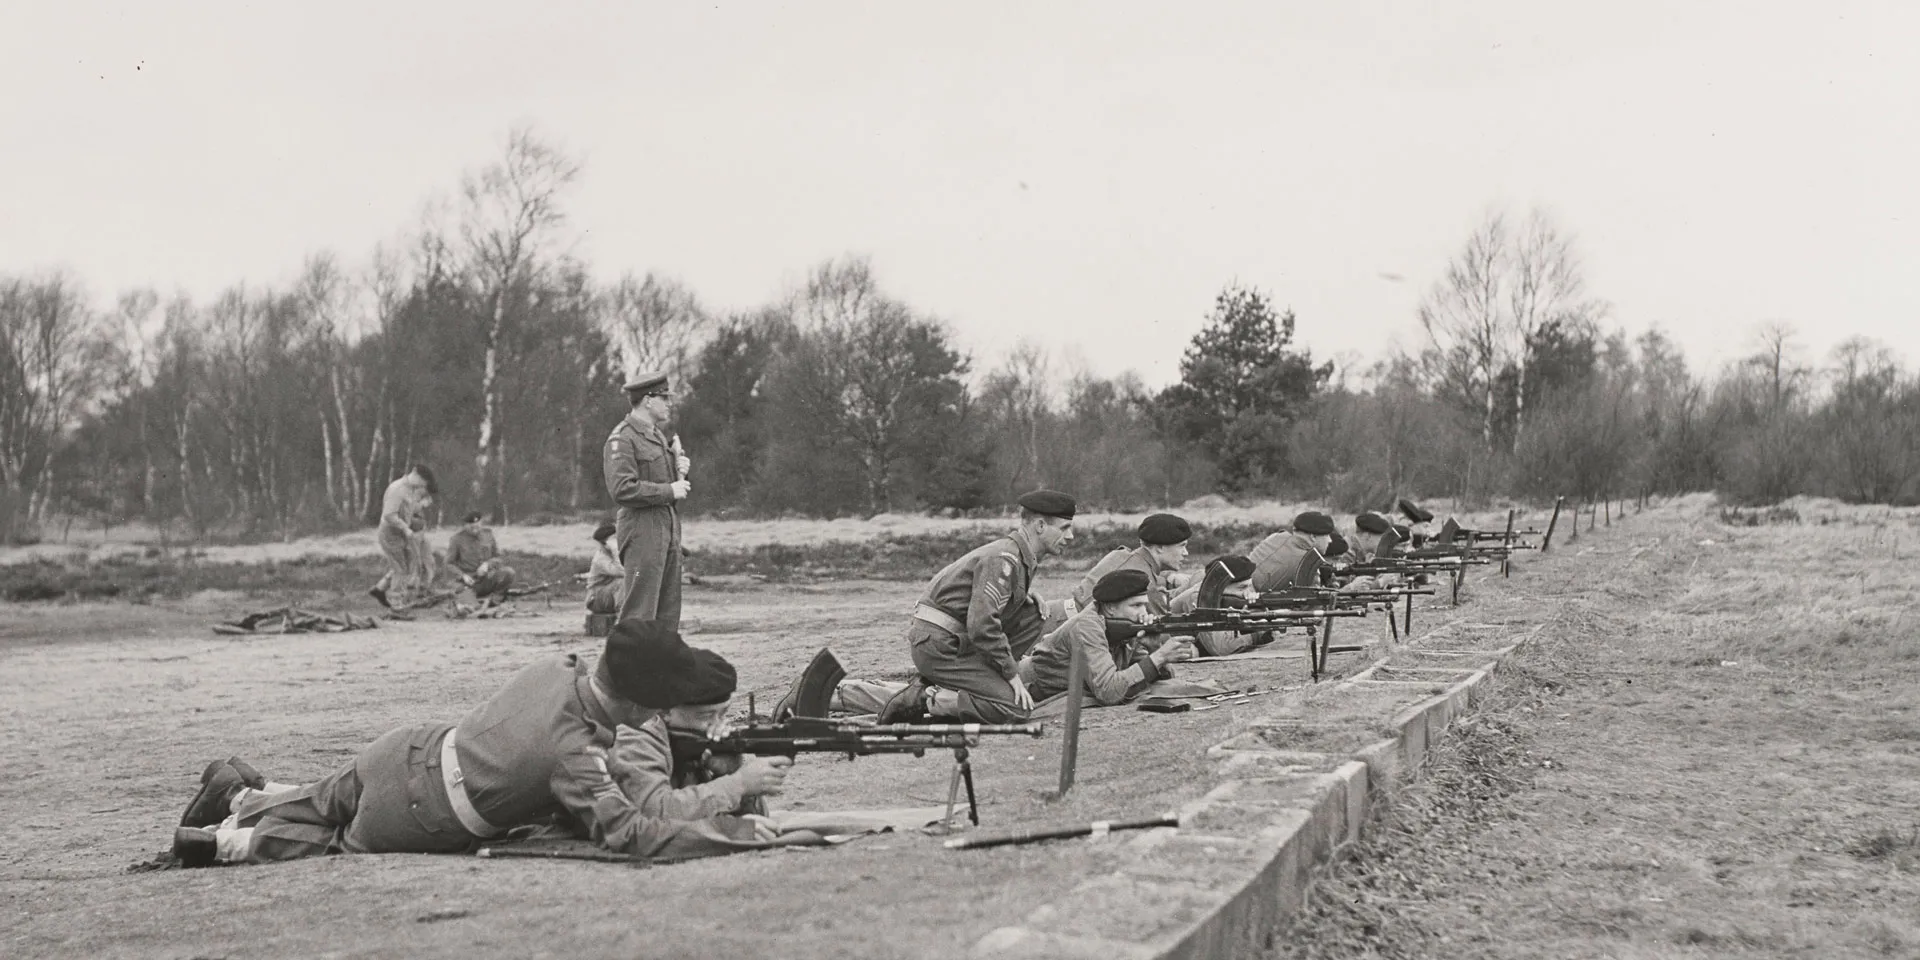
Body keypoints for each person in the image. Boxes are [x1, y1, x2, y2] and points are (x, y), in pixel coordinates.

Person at [167, 621, 770, 867]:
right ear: (640, 705)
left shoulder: (558, 666)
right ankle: (221, 844)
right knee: (328, 844)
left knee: (320, 797)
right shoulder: (576, 755)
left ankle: (241, 795)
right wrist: (732, 795)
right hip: (425, 816)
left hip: (406, 747)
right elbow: (631, 836)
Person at [879, 489, 1078, 725]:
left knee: (1034, 613)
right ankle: (925, 697)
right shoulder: (1003, 558)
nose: (1071, 536)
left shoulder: (1017, 554)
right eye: (1065, 528)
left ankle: (981, 680)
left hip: (951, 639)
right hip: (939, 646)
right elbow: (981, 625)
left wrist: (1021, 594)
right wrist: (1012, 675)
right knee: (1015, 709)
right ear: (1041, 526)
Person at [608, 685, 792, 823]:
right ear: (665, 712)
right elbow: (655, 813)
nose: (719, 726)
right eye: (705, 717)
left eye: (723, 715)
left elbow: (757, 820)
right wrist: (738, 783)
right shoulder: (633, 738)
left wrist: (729, 772)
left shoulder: (691, 744)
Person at [1019, 569, 1195, 706]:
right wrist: (1159, 657)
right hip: (1021, 687)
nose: (1144, 613)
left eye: (1145, 606)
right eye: (1136, 606)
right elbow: (1109, 692)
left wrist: (1153, 648)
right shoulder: (1086, 627)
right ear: (1110, 608)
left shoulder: (1126, 626)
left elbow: (1162, 679)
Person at [604, 371, 691, 630]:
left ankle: (659, 670)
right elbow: (622, 489)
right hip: (643, 531)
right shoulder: (623, 438)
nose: (669, 403)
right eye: (664, 398)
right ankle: (619, 671)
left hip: (666, 528)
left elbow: (665, 484)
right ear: (648, 400)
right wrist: (669, 490)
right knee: (639, 614)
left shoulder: (656, 436)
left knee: (667, 614)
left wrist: (679, 469)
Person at [1070, 513, 1193, 619]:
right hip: (1068, 626)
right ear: (1160, 547)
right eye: (1182, 545)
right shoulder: (1143, 583)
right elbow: (1163, 629)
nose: (1186, 553)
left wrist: (1169, 576)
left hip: (1060, 613)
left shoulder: (1123, 555)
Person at [1165, 556, 1268, 656]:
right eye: (1241, 588)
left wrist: (1256, 612)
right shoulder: (1200, 598)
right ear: (1221, 586)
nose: (1247, 594)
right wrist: (1257, 634)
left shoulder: (1228, 599)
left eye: (1250, 587)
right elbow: (1220, 648)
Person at [369, 464, 437, 609]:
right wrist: (405, 528)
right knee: (402, 569)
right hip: (390, 534)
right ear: (417, 476)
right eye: (423, 483)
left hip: (398, 534)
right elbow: (389, 515)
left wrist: (421, 506)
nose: (422, 487)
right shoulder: (398, 489)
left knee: (403, 564)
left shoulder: (409, 490)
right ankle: (396, 604)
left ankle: (380, 589)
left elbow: (406, 510)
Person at [1247, 510, 1335, 593]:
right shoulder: (1307, 563)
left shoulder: (1276, 537)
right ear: (1313, 537)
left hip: (1241, 591)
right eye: (1327, 535)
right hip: (1258, 604)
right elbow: (1312, 604)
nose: (1330, 540)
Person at [446, 511, 517, 602]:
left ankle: (496, 598)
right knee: (467, 604)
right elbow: (449, 564)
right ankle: (472, 601)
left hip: (487, 579)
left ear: (481, 523)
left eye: (477, 525)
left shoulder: (488, 535)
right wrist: (462, 576)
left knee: (509, 572)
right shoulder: (456, 540)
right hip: (468, 583)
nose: (475, 528)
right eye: (471, 526)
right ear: (465, 525)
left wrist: (487, 564)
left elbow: (499, 557)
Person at [581, 521, 624, 615]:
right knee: (622, 581)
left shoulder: (614, 555)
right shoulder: (601, 558)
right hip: (595, 599)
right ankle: (622, 614)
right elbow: (622, 572)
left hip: (608, 594)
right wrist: (615, 549)